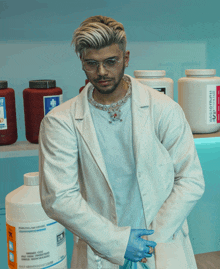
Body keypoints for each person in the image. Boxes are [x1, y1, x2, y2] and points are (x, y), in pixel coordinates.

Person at [38, 15, 205, 269]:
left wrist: (151, 240)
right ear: (82, 63)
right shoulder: (60, 121)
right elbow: (59, 198)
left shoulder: (163, 109)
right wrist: (118, 242)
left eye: (111, 62)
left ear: (126, 59)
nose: (102, 72)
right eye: (92, 63)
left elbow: (190, 180)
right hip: (100, 253)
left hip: (163, 245)